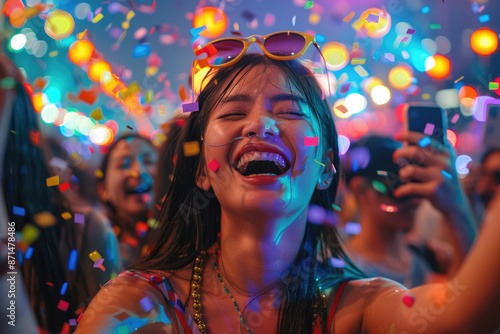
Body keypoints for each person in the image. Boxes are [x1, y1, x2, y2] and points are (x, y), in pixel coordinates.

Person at [76, 32, 500, 334]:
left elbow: (461, 318)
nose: (259, 123)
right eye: (232, 113)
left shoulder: (359, 307)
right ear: (203, 169)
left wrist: (458, 211)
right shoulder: (141, 305)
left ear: (326, 167)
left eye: (290, 112)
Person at [342, 135, 476, 287]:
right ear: (361, 190)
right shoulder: (345, 270)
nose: (416, 200)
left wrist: (456, 209)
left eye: (416, 184)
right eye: (398, 187)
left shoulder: (427, 255)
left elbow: (469, 294)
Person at [96, 134, 159, 267]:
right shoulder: (95, 244)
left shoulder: (183, 241)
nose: (139, 171)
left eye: (148, 161)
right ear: (102, 188)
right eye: (124, 164)